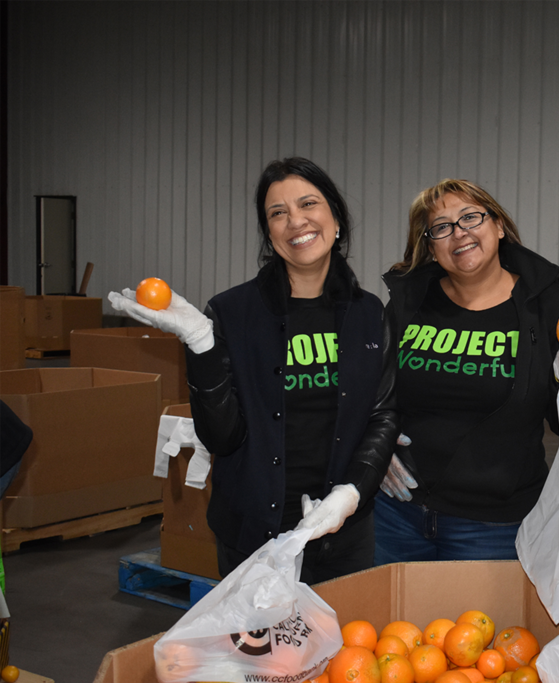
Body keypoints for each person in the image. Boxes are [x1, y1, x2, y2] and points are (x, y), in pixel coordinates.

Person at [109, 157, 399, 584]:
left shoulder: (369, 313)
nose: (295, 221)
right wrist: (201, 344)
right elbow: (222, 438)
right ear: (269, 234)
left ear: (336, 219)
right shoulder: (232, 312)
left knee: (345, 648)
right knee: (259, 651)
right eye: (277, 213)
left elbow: (383, 414)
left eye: (308, 204)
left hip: (345, 533)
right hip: (253, 537)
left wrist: (351, 493)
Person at [375, 178, 559, 563]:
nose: (459, 233)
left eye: (470, 217)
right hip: (395, 515)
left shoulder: (545, 304)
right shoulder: (409, 302)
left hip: (493, 526)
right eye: (442, 227)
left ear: (498, 226)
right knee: (391, 625)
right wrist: (377, 451)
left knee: (481, 625)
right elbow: (374, 392)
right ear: (431, 247)